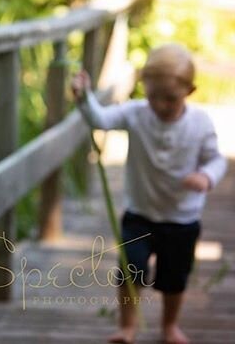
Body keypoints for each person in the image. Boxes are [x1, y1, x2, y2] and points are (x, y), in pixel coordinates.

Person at [71, 43, 227, 344]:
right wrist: (85, 97)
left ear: (190, 91)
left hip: (181, 218)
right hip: (139, 214)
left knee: (174, 278)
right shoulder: (136, 113)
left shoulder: (200, 123)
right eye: (152, 95)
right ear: (144, 88)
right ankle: (127, 326)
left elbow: (216, 159)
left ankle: (169, 326)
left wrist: (206, 176)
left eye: (170, 98)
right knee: (131, 272)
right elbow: (100, 120)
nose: (160, 104)